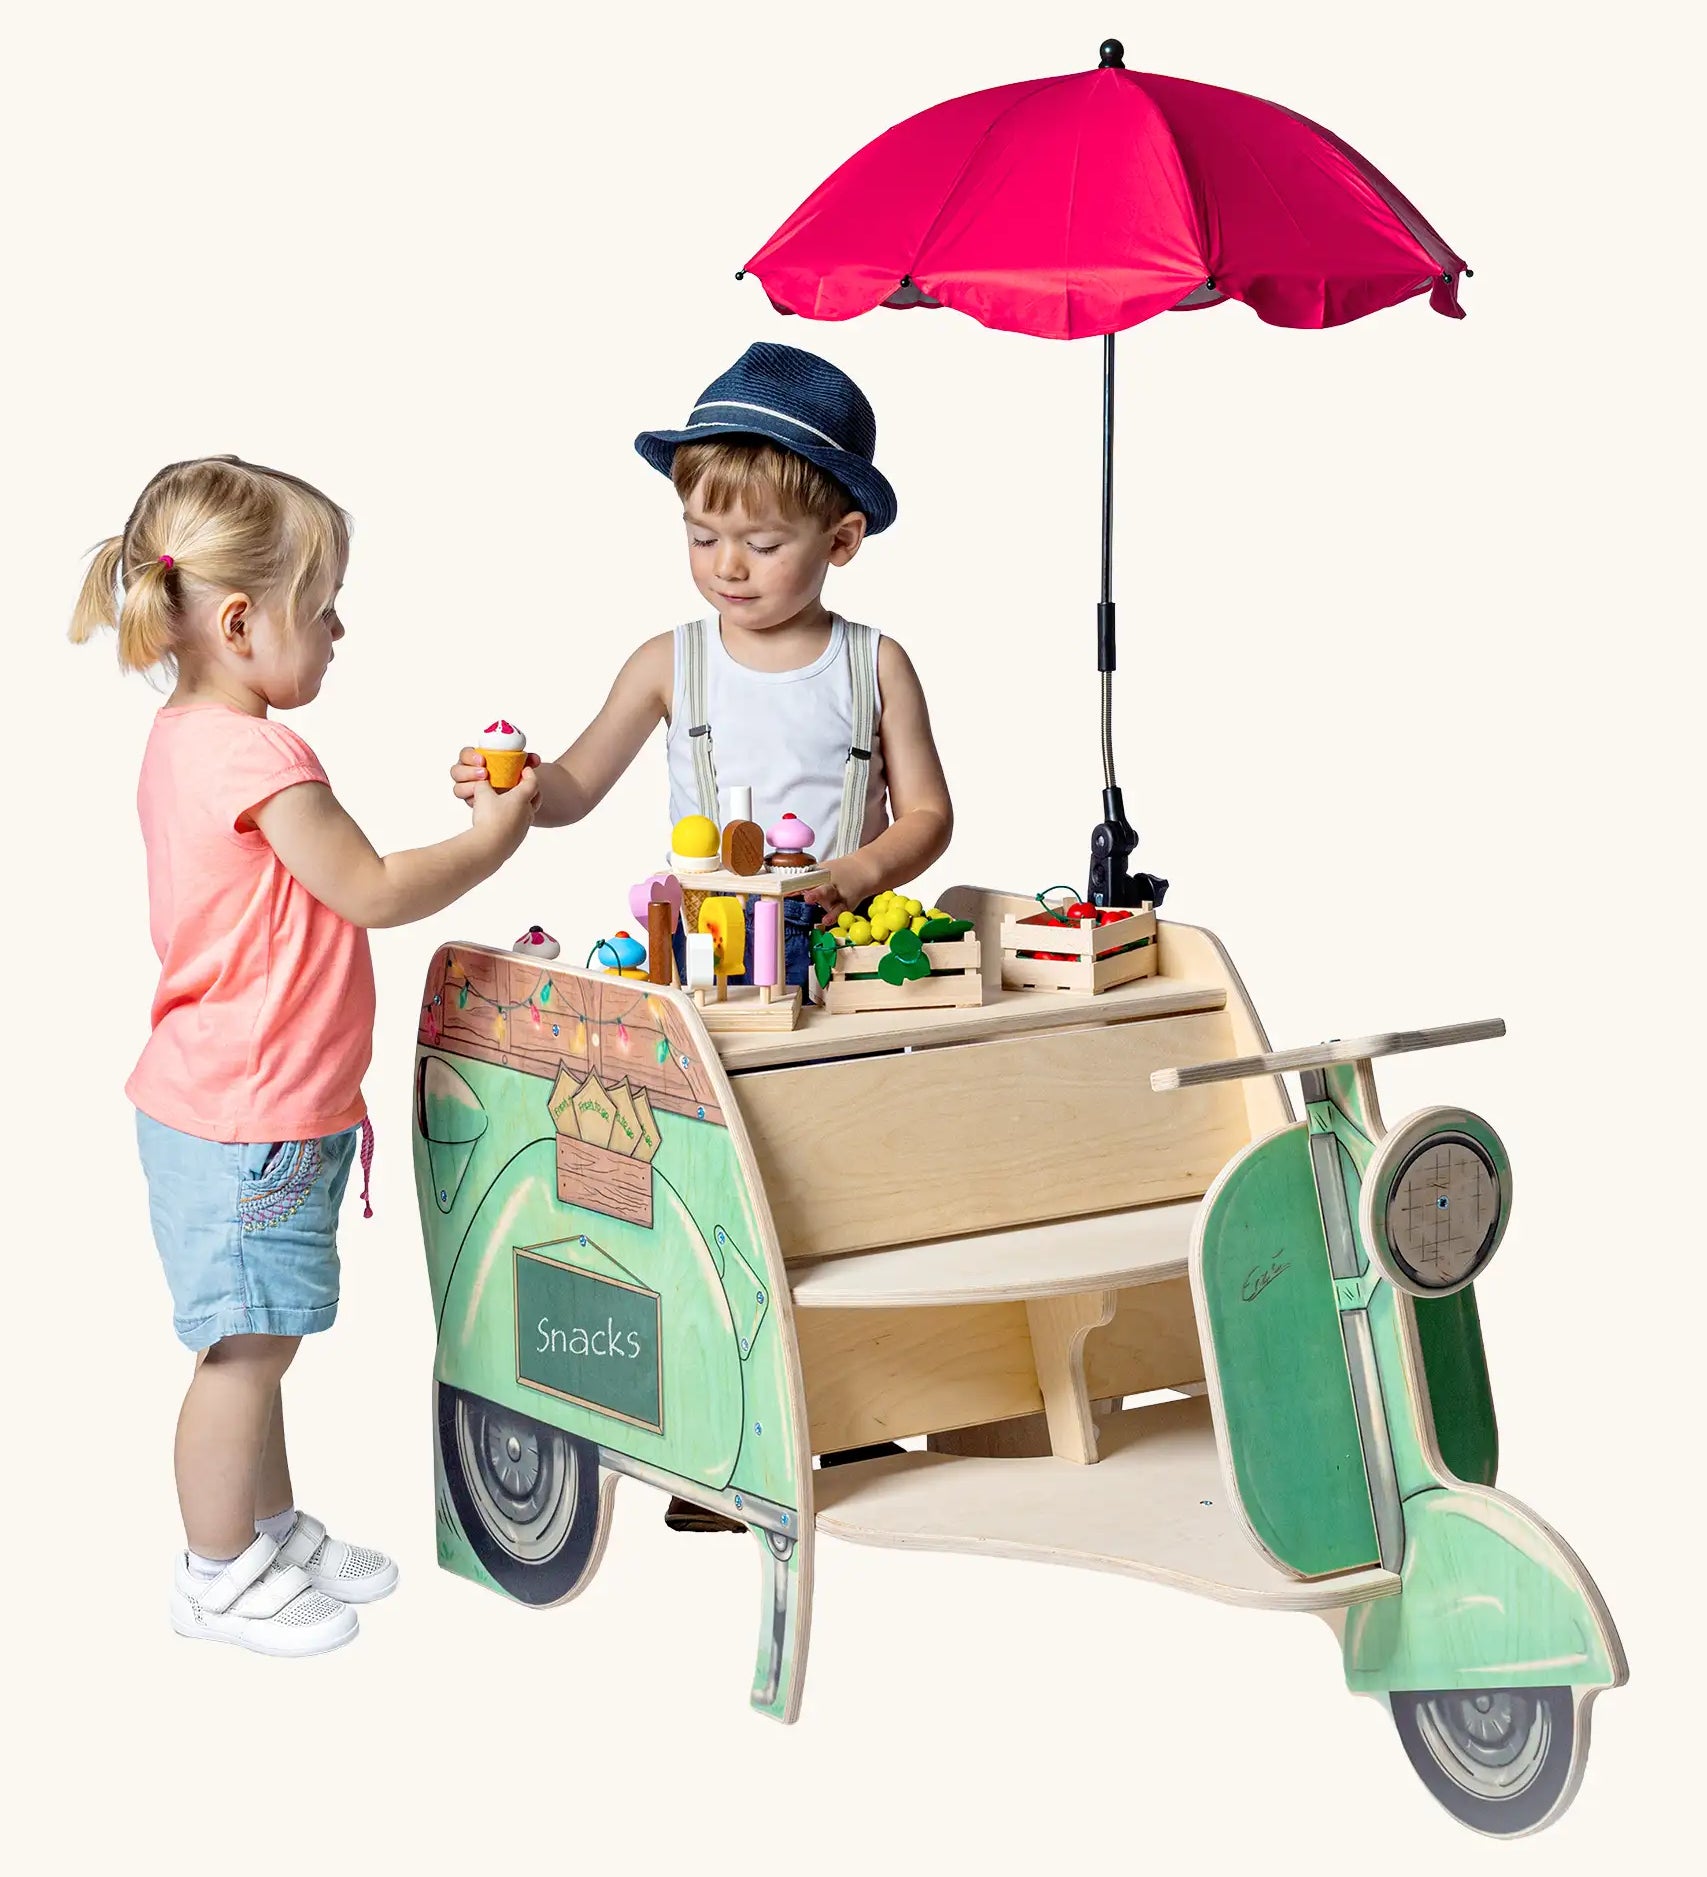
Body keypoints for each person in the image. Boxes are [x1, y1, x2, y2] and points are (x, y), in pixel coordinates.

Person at [452, 342, 952, 1526]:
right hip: (705, 983)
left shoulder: (874, 664)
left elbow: (929, 814)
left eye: (762, 543)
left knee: (844, 1198)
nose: (727, 565)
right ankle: (719, 1435)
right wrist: (515, 788)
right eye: (701, 535)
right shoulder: (669, 662)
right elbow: (577, 781)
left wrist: (856, 871)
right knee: (708, 1203)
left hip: (835, 981)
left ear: (841, 539)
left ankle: (853, 1412)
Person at [73, 456, 539, 1654]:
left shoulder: (187, 737)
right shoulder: (262, 760)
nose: (339, 630)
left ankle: (264, 1526)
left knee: (258, 1341)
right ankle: (213, 1572)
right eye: (322, 607)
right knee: (243, 1353)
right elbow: (372, 886)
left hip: (239, 1100)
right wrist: (493, 837)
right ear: (239, 624)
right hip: (249, 1114)